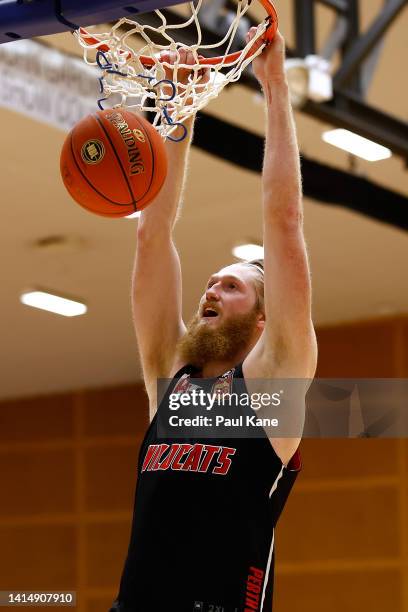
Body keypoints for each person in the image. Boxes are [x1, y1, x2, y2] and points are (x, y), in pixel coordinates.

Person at [110, 28, 317, 612]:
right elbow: (153, 238)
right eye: (210, 282)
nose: (211, 289)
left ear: (263, 318)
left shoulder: (276, 382)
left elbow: (284, 224)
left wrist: (275, 89)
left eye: (232, 286)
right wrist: (179, 108)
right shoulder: (168, 376)